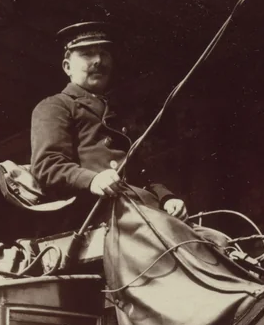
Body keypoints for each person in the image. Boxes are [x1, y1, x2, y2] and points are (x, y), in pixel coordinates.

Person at [30, 21, 186, 222]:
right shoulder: (55, 105)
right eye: (87, 54)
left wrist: (166, 197)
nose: (98, 61)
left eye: (104, 53)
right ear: (67, 67)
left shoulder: (116, 111)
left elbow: (139, 170)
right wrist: (92, 179)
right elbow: (47, 165)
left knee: (215, 241)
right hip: (97, 213)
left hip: (142, 208)